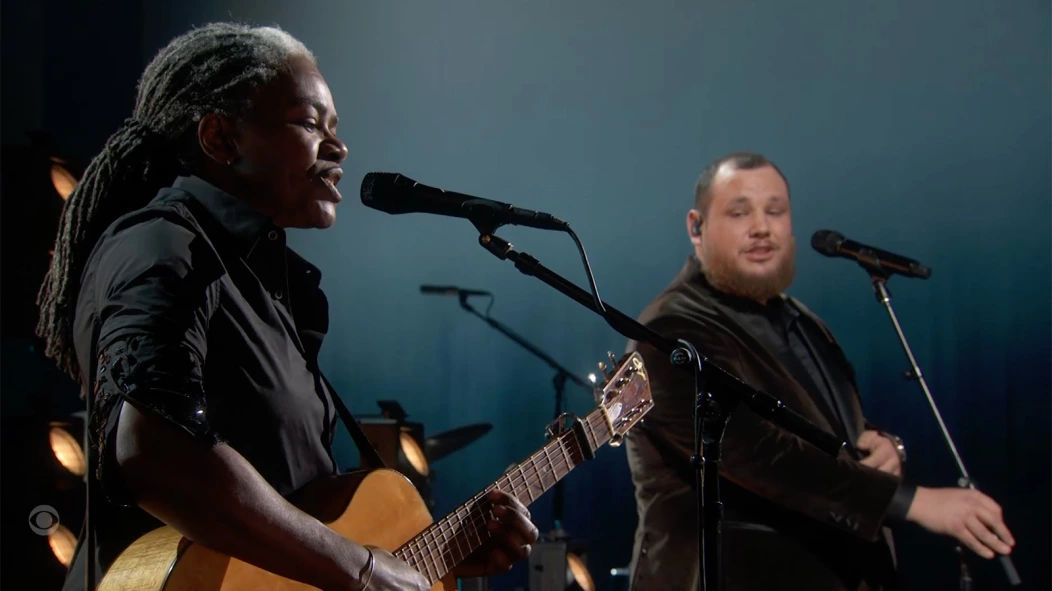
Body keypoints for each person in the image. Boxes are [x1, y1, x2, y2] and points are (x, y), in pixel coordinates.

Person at [37, 23, 538, 591]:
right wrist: (363, 569)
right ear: (220, 139)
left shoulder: (263, 282)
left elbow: (297, 512)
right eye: (309, 123)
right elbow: (155, 452)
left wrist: (422, 556)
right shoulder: (161, 246)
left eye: (336, 129)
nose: (339, 147)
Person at [623, 152, 1015, 590]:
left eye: (775, 211)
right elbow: (760, 453)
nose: (761, 227)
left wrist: (885, 446)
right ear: (696, 227)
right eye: (739, 212)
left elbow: (822, 429)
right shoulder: (668, 331)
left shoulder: (802, 321)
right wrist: (913, 503)